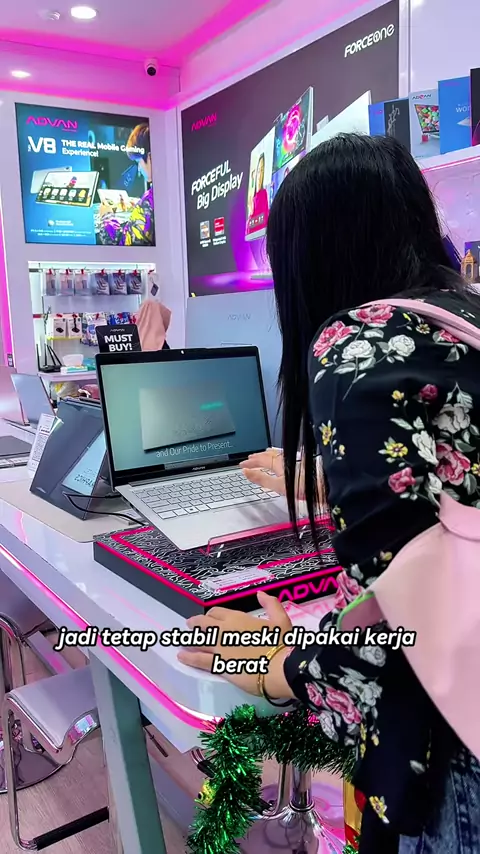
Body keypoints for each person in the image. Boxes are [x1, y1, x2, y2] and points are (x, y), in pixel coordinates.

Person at [178, 133, 480, 853]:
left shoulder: (357, 342)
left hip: (456, 766)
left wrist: (276, 668)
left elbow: (402, 641)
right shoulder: (463, 318)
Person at [98, 123, 155, 246]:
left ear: (151, 158)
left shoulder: (150, 201)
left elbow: (123, 246)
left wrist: (106, 217)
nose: (139, 168)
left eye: (138, 161)